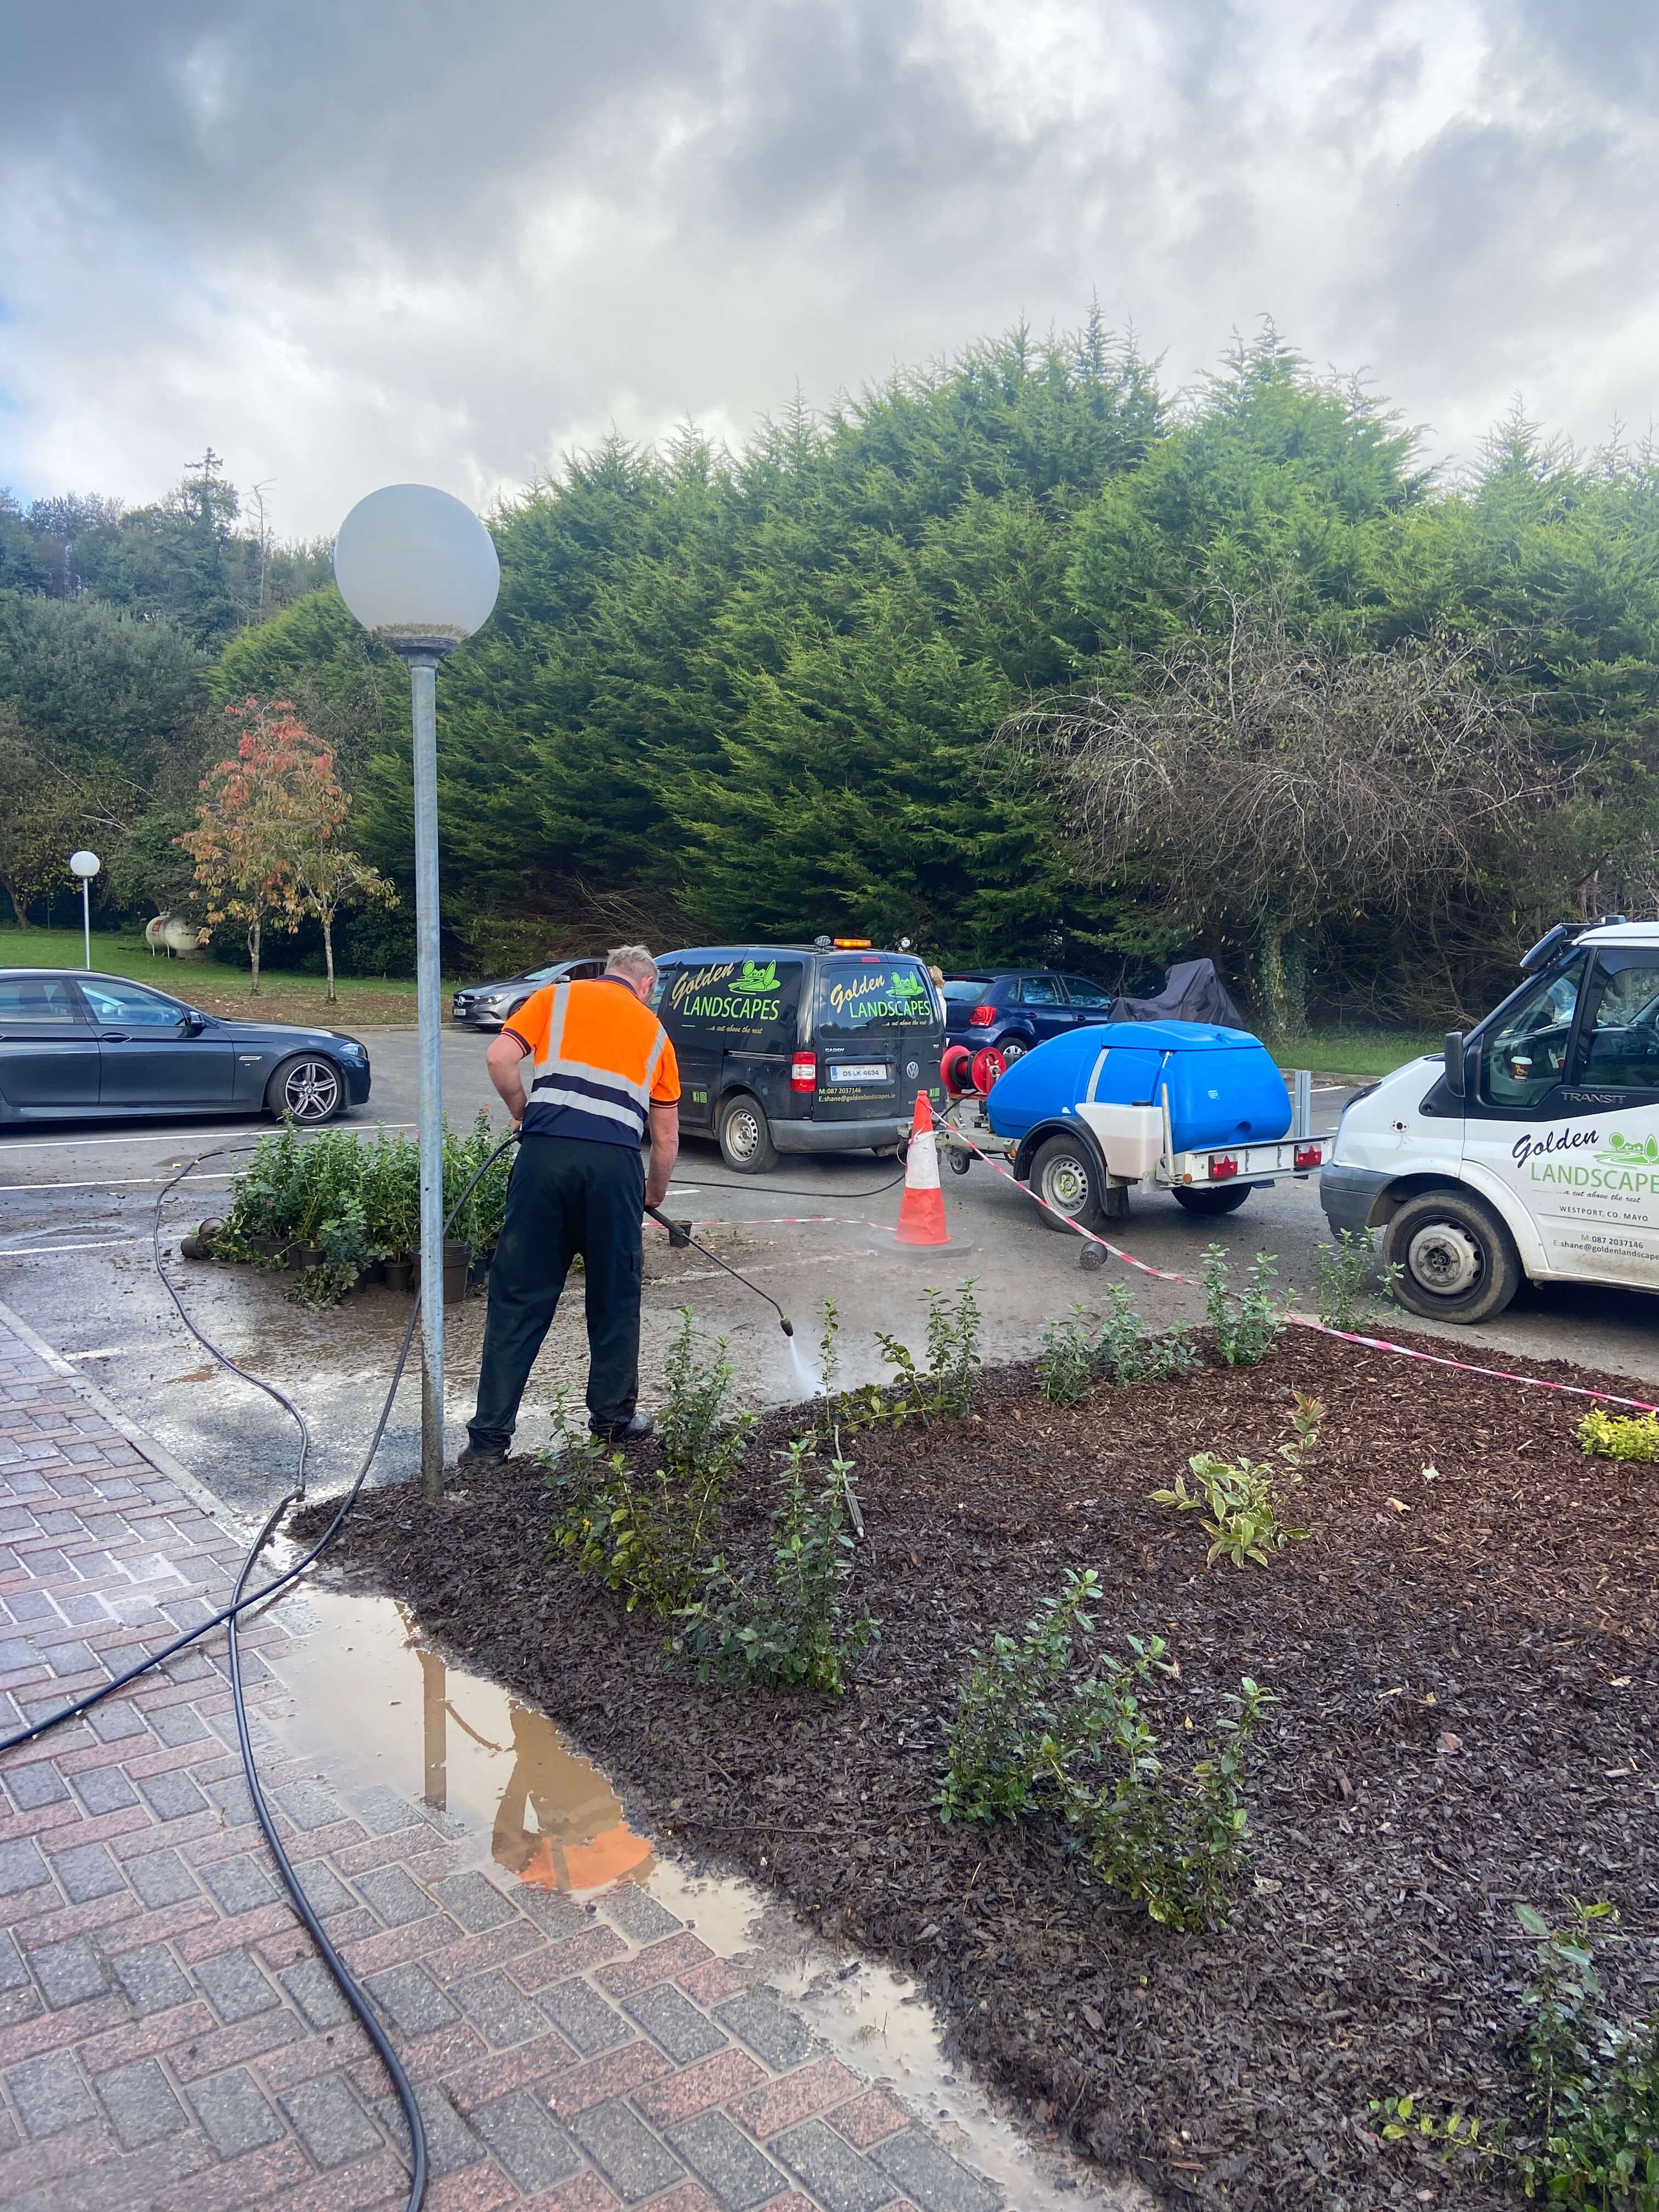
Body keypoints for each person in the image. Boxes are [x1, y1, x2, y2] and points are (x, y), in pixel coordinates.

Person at [455, 944, 680, 1471]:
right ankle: (611, 1419)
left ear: (608, 972)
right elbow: (665, 1139)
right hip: (614, 1170)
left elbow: (499, 1057)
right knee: (614, 1297)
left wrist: (523, 1111)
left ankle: (487, 1442)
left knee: (518, 1297)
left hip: (544, 1162)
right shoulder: (655, 1033)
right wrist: (653, 1194)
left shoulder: (555, 999)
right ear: (645, 985)